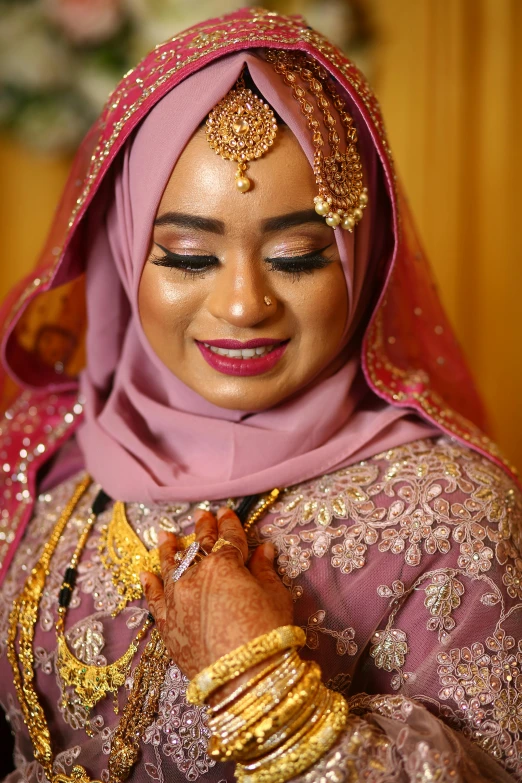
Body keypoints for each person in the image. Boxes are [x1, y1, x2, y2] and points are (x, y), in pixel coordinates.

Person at [0, 7, 520, 782]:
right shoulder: (46, 452)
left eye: (298, 256)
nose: (243, 304)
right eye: (186, 256)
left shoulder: (453, 511)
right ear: (123, 250)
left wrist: (267, 693)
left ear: (361, 254)